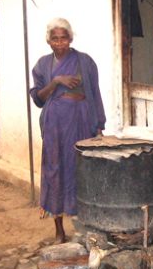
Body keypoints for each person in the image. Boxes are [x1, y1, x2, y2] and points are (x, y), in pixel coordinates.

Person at [30, 18, 106, 243]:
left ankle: (86, 224)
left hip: (81, 120)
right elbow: (38, 98)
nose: (60, 42)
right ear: (49, 41)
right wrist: (56, 82)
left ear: (70, 39)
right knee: (55, 170)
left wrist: (99, 124)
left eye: (64, 38)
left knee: (81, 170)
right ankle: (59, 229)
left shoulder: (84, 62)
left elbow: (95, 93)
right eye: (55, 38)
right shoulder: (43, 65)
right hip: (55, 125)